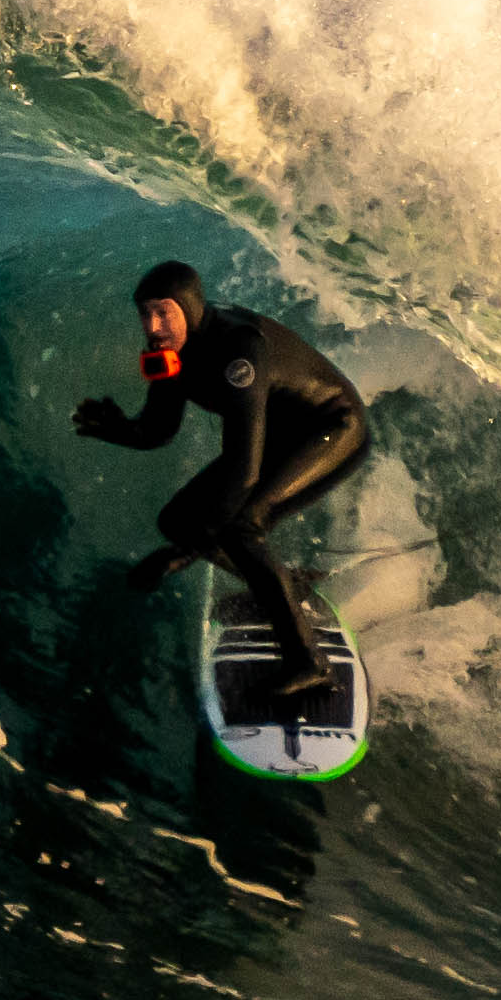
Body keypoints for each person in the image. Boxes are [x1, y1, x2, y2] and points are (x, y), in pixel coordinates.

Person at [71, 260, 370, 697]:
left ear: (188, 310)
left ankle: (310, 663)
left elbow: (243, 468)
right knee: (178, 520)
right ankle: (286, 584)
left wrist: (188, 551)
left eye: (162, 312)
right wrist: (119, 430)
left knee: (242, 523)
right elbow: (159, 430)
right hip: (281, 434)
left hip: (332, 427)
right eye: (144, 313)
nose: (152, 325)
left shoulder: (238, 350)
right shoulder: (173, 350)